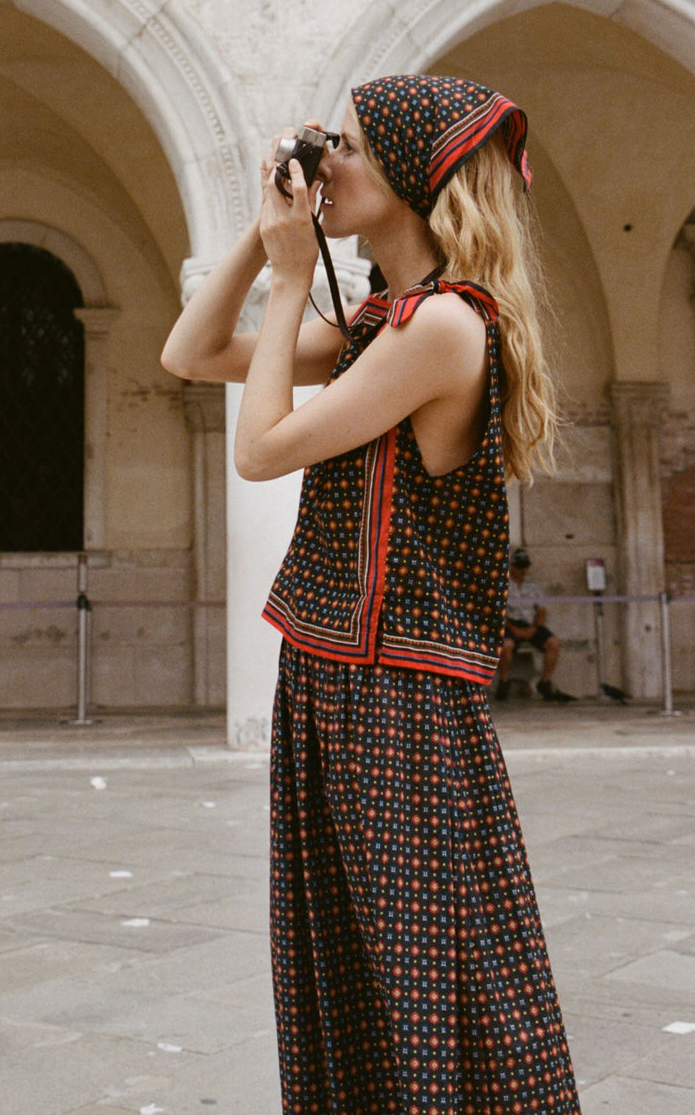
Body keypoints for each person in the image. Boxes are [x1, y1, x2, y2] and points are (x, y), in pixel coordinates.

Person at [162, 74, 580, 1113]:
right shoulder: (384, 324)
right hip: (336, 679)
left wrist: (293, 276)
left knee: (430, 985)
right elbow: (190, 353)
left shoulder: (446, 327)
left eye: (345, 146)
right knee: (352, 978)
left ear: (410, 176)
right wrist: (266, 236)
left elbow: (259, 450)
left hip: (400, 694)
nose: (326, 161)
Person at [497, 546, 575, 702]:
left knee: (553, 643)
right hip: (511, 625)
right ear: (511, 566)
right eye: (520, 567)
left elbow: (541, 609)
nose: (523, 570)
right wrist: (513, 628)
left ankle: (545, 682)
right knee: (505, 646)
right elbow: (498, 612)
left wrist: (534, 628)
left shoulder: (533, 584)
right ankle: (504, 681)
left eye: (525, 567)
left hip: (531, 624)